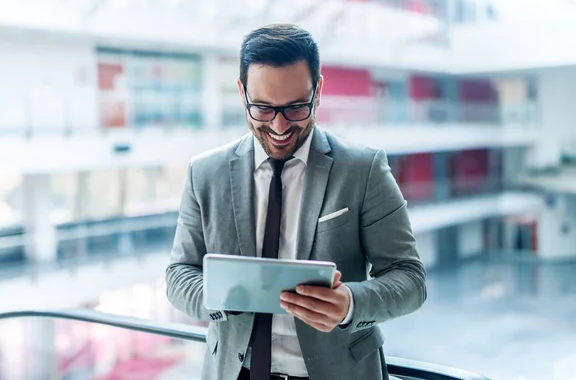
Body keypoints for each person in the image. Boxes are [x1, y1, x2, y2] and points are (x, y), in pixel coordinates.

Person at [166, 24, 427, 380]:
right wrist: (218, 296)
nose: (278, 126)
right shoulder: (204, 173)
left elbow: (409, 279)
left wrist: (350, 304)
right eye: (262, 108)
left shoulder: (363, 169)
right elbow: (178, 275)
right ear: (241, 92)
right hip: (234, 371)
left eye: (295, 108)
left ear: (318, 91)